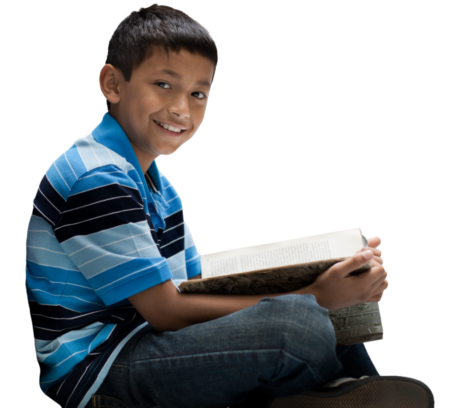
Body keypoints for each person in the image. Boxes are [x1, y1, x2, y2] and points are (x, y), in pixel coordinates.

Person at [24, 4, 435, 408]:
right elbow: (166, 310)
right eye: (163, 85)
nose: (181, 109)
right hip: (100, 371)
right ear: (112, 83)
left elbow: (192, 283)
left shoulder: (157, 186)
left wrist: (325, 275)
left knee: (319, 308)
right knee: (299, 321)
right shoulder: (97, 175)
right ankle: (329, 395)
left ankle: (359, 392)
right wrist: (313, 295)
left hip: (145, 342)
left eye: (198, 93)